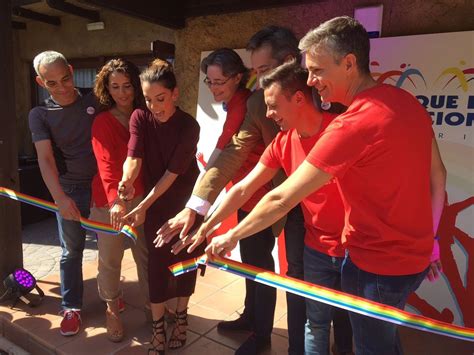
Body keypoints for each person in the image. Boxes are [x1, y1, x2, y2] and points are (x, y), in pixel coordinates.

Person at [205, 16, 447, 355]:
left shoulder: (350, 125)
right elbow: (439, 177)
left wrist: (230, 235)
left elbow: (280, 198)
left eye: (317, 70)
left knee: (372, 347)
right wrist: (430, 239)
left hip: (373, 267)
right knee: (383, 342)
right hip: (412, 263)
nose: (311, 80)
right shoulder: (407, 103)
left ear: (349, 63)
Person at [156, 27, 307, 355]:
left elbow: (229, 156)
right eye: (258, 72)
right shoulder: (256, 104)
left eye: (264, 70)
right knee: (256, 265)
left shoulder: (309, 99)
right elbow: (231, 157)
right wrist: (196, 207)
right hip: (258, 198)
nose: (212, 88)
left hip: (300, 205)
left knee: (297, 282)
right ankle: (257, 324)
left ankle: (285, 340)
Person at [185, 60, 354, 355]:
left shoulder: (339, 131)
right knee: (315, 322)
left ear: (299, 98)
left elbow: (279, 200)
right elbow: (244, 188)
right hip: (317, 247)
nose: (268, 114)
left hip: (354, 247)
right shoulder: (283, 141)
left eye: (273, 105)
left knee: (350, 323)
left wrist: (231, 235)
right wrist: (207, 224)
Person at [117, 59, 203, 354]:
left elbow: (173, 174)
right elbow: (133, 157)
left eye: (161, 98)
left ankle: (180, 317)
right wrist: (126, 181)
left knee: (183, 264)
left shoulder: (189, 126)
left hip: (186, 204)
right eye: (149, 99)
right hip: (154, 205)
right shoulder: (140, 117)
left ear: (175, 94)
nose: (154, 106)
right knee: (156, 267)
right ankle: (158, 330)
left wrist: (142, 204)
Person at [28, 51, 97, 336]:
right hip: (69, 189)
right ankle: (71, 307)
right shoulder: (40, 114)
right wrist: (60, 198)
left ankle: (111, 295)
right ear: (41, 82)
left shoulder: (96, 100)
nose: (62, 87)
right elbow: (45, 159)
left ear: (71, 70)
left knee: (110, 248)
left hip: (103, 188)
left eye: (65, 78)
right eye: (52, 83)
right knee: (71, 252)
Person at [90, 58, 149, 342]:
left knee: (145, 255)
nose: (122, 92)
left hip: (142, 198)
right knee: (111, 258)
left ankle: (153, 304)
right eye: (115, 87)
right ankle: (112, 307)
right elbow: (106, 166)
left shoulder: (146, 114)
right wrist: (116, 200)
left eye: (127, 85)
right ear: (107, 89)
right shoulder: (102, 121)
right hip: (108, 199)